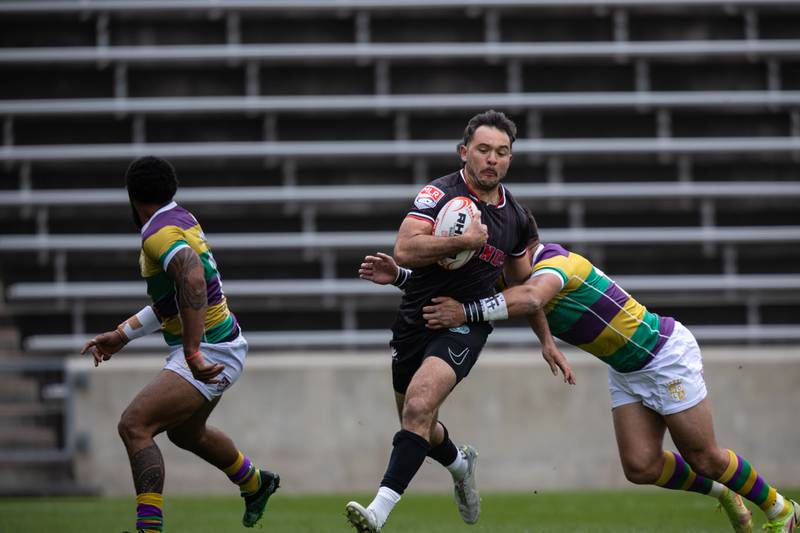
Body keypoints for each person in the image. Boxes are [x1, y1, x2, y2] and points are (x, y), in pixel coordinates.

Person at [366, 234, 798, 533]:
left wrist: (467, 315)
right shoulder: (515, 276)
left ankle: (782, 510)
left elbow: (532, 297)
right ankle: (723, 492)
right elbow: (498, 295)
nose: (498, 265)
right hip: (627, 368)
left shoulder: (557, 263)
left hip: (663, 353)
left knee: (703, 455)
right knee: (641, 467)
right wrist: (402, 278)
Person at [345, 110, 561, 533]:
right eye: (483, 150)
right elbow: (405, 248)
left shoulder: (518, 219)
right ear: (465, 152)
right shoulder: (437, 193)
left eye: (501, 152)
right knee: (416, 422)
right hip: (416, 317)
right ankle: (461, 465)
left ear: (510, 160)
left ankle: (378, 512)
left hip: (466, 323)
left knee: (420, 405)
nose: (491, 160)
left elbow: (523, 290)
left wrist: (546, 340)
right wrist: (442, 254)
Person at [80, 156, 279, 533]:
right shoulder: (181, 218)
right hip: (222, 342)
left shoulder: (157, 234)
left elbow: (192, 279)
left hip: (211, 349)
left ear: (132, 197)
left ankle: (148, 529)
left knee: (134, 425)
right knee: (186, 432)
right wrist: (123, 334)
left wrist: (191, 352)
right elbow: (176, 298)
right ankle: (255, 483)